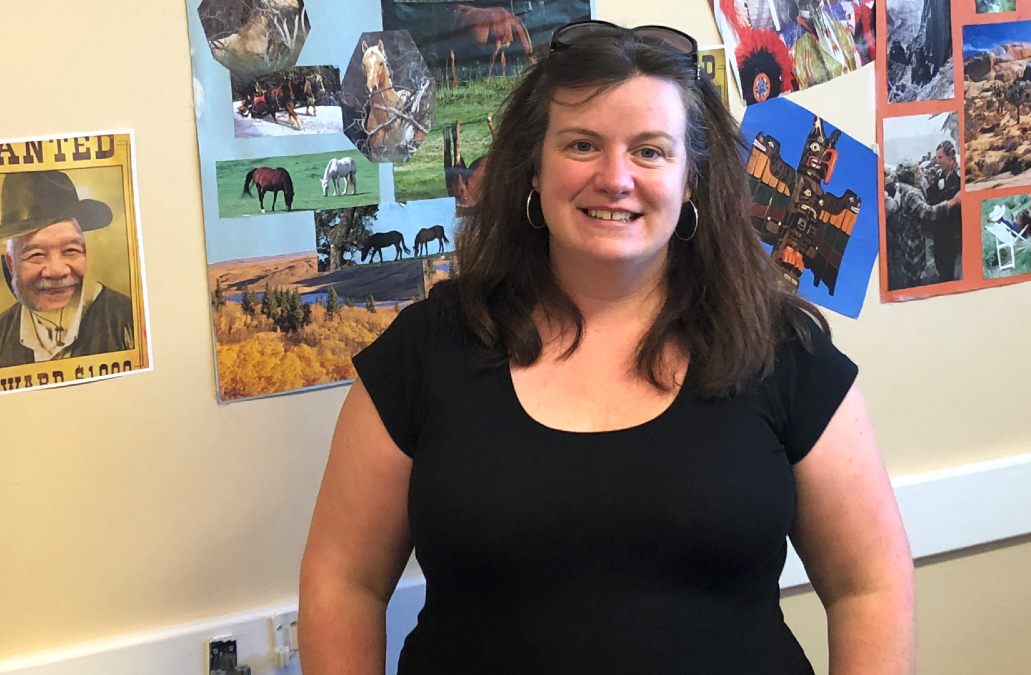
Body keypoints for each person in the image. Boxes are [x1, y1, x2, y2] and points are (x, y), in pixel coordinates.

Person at [300, 20, 914, 675]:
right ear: (534, 168)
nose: (615, 177)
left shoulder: (779, 348)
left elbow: (870, 583)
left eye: (651, 151)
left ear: (692, 180)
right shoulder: (426, 351)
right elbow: (343, 579)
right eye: (582, 144)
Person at [0, 170, 134, 367]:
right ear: (11, 264)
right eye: (36, 254)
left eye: (71, 250)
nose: (57, 270)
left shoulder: (129, 322)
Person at [886, 162, 960, 290]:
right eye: (918, 172)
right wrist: (954, 201)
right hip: (912, 237)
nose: (921, 174)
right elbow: (928, 212)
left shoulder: (903, 187)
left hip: (907, 234)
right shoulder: (911, 194)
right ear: (910, 175)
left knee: (910, 266)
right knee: (913, 269)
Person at [925, 139, 962, 283]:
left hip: (954, 231)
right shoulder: (940, 176)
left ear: (950, 157)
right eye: (936, 158)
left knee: (952, 267)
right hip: (941, 230)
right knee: (941, 262)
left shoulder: (959, 177)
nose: (937, 161)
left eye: (940, 157)